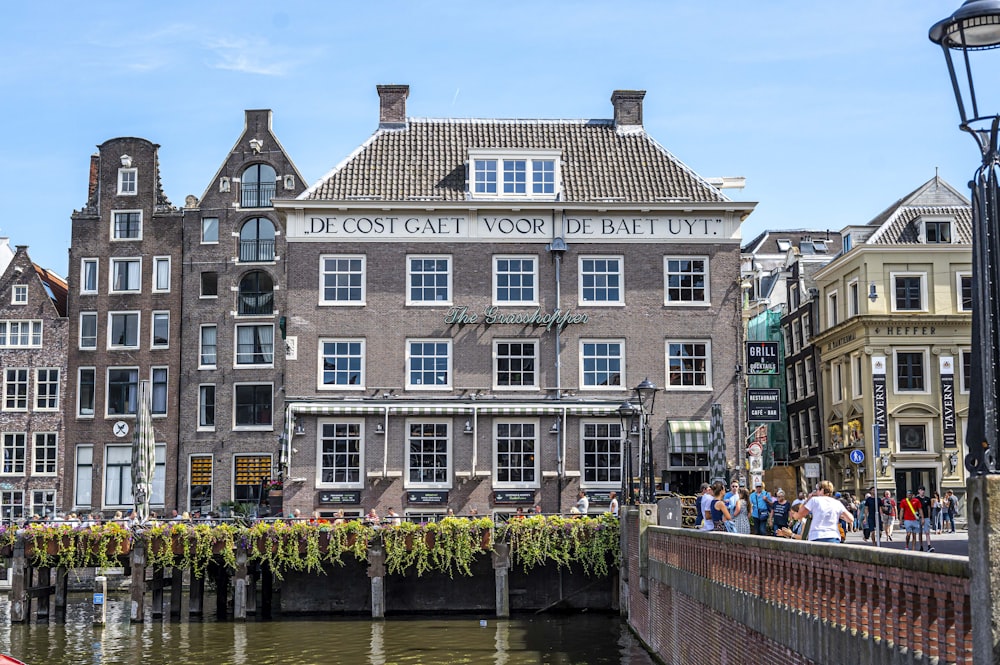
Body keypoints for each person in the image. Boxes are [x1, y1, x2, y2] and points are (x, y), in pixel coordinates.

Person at [916, 486, 934, 552]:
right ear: (919, 491)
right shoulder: (916, 499)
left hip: (926, 517)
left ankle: (929, 545)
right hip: (919, 518)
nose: (922, 491)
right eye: (921, 490)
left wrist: (929, 517)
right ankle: (921, 546)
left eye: (923, 490)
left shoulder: (927, 499)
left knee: (927, 532)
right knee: (920, 532)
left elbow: (929, 508)